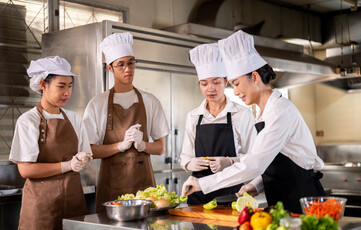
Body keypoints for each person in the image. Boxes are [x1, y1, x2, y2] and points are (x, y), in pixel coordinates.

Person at [181, 30, 325, 213]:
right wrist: (256, 185)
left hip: (302, 200)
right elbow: (273, 161)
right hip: (282, 199)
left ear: (254, 77)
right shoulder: (263, 113)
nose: (235, 91)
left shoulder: (280, 111)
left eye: (236, 83)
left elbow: (253, 164)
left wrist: (202, 183)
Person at [83, 32, 170, 212]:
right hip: (110, 191)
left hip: (145, 192)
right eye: (120, 65)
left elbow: (161, 148)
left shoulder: (150, 101)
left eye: (131, 63)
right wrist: (120, 146)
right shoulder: (97, 103)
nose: (127, 69)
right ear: (110, 68)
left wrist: (142, 145)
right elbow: (88, 150)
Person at [9, 56, 92, 230]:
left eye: (70, 86)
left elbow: (86, 154)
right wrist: (67, 166)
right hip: (41, 209)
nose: (67, 92)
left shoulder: (74, 118)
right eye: (61, 86)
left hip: (73, 205)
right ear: (43, 85)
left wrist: (83, 160)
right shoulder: (28, 121)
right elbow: (25, 169)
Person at [180, 43, 256, 205]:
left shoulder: (243, 114)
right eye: (204, 83)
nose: (210, 89)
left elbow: (254, 158)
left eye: (216, 82)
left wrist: (229, 161)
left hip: (231, 194)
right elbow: (185, 156)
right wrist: (189, 163)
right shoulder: (193, 116)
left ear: (226, 81)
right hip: (197, 194)